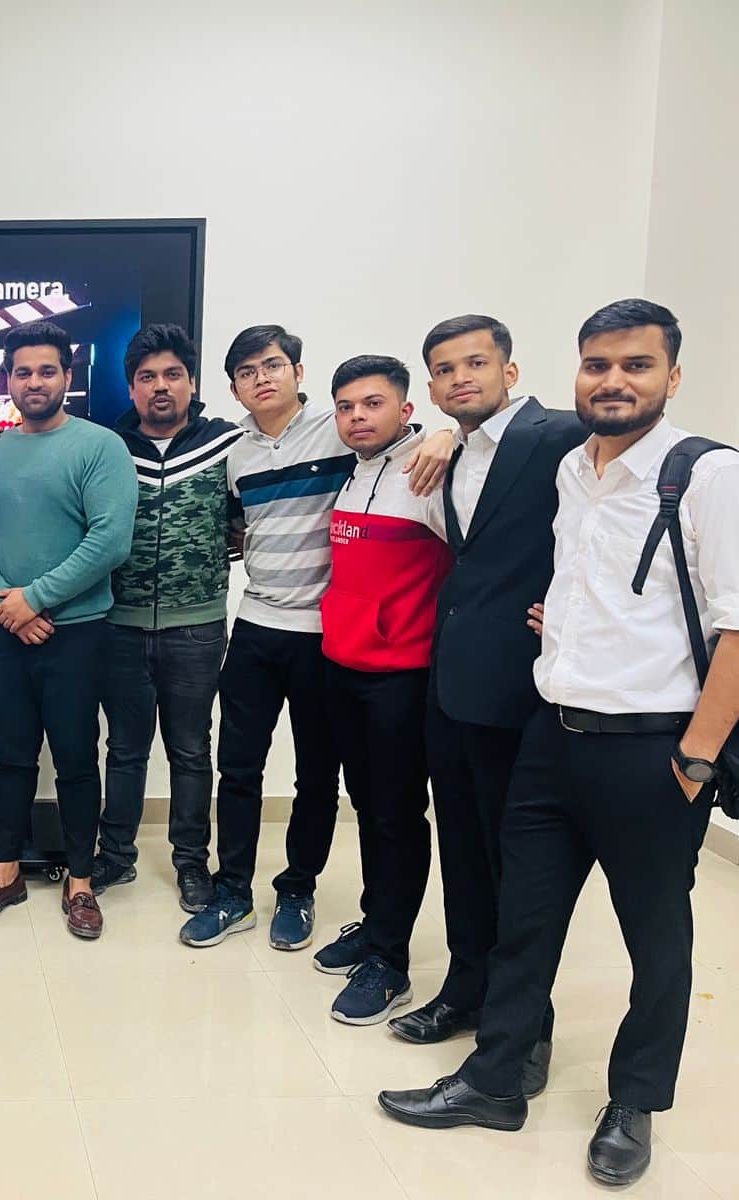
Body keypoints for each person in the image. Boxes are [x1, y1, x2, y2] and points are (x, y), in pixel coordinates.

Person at [378, 299, 737, 1188]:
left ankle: (636, 1101)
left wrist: (696, 757)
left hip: (651, 751)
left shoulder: (708, 475)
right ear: (576, 371)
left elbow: (738, 628)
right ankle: (496, 1079)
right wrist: (559, 622)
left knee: (656, 939)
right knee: (523, 923)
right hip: (551, 731)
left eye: (636, 365)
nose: (613, 381)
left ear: (672, 377)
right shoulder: (576, 468)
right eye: (599, 364)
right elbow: (592, 583)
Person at [183, 327, 455, 952]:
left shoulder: (341, 432)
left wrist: (442, 431)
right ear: (233, 388)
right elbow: (235, 529)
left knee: (316, 775)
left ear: (299, 372)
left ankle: (297, 888)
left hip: (323, 636)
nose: (262, 379)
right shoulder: (236, 453)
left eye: (273, 365)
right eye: (247, 372)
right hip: (253, 626)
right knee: (239, 767)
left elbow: (411, 440)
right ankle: (232, 893)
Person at [388, 315, 583, 1096]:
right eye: (444, 368)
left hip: (523, 692)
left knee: (519, 872)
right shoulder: (450, 449)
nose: (460, 376)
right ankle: (466, 991)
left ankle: (525, 1030)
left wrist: (576, 608)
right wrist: (444, 435)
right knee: (464, 856)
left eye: (476, 362)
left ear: (510, 369)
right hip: (454, 686)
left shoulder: (561, 434)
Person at [0, 320, 137, 939]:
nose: (35, 381)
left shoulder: (100, 447)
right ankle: (4, 872)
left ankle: (80, 882)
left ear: (68, 375)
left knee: (78, 760)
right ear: (9, 380)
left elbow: (108, 541)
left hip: (78, 635)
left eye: (47, 370)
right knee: (12, 757)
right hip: (3, 635)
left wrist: (34, 599)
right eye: (23, 371)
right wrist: (8, 607)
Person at [317, 355, 451, 1023]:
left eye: (372, 404)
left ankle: (389, 962)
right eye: (345, 407)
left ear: (405, 409)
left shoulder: (432, 471)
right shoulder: (352, 472)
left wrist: (448, 435)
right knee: (367, 807)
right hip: (344, 669)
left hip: (404, 676)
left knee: (397, 817)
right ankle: (375, 924)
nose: (357, 417)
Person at [93, 324, 243, 912]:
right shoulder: (104, 448)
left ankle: (190, 864)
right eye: (147, 377)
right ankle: (115, 855)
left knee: (190, 749)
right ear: (130, 388)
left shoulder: (229, 444)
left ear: (192, 382)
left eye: (172, 375)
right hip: (118, 626)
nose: (160, 386)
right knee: (125, 749)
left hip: (197, 627)